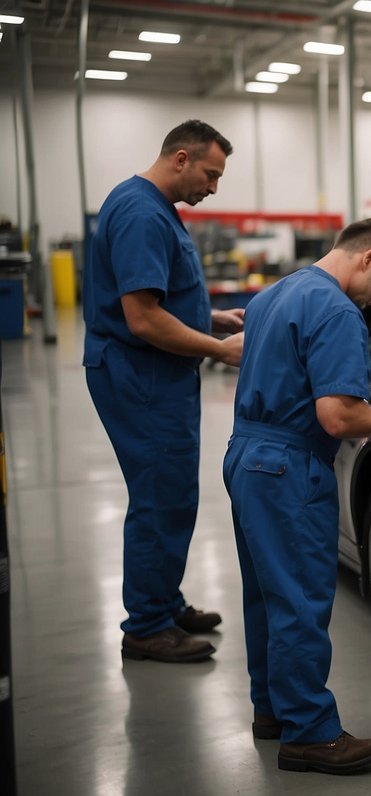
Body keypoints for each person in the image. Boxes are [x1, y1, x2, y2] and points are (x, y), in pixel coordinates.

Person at [223, 216, 371, 775]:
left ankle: (272, 712)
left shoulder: (272, 295)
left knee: (266, 594)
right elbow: (338, 417)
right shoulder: (338, 311)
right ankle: (309, 732)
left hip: (246, 457)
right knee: (300, 602)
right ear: (367, 258)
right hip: (290, 467)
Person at [85, 120, 245, 664]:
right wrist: (221, 349)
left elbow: (162, 300)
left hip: (155, 372)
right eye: (211, 173)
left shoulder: (153, 207)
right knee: (162, 494)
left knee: (171, 490)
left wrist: (211, 317)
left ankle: (163, 598)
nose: (213, 187)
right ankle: (147, 626)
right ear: (181, 158)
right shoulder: (141, 213)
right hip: (141, 373)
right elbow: (143, 320)